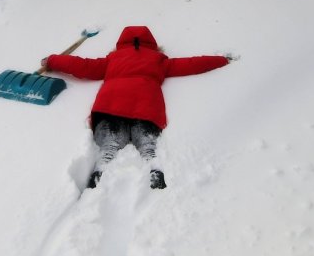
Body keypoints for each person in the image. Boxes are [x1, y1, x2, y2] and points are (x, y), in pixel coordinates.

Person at [43, 26, 231, 189]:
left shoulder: (113, 59)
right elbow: (191, 64)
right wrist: (221, 60)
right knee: (147, 143)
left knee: (110, 144)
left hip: (111, 105)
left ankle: (102, 166)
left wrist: (52, 61)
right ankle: (152, 163)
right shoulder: (159, 60)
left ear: (121, 43)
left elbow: (82, 66)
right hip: (146, 107)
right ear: (152, 44)